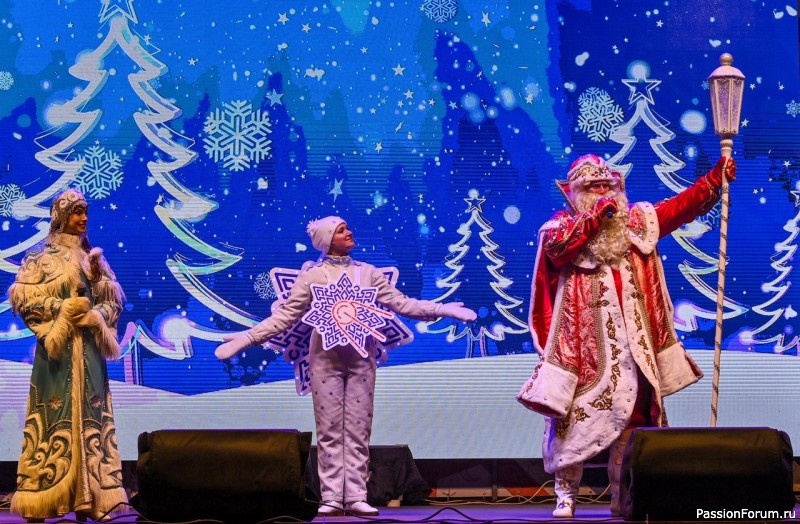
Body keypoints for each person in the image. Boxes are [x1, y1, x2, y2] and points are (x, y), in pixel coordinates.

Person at [517, 154, 735, 518]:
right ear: (574, 193)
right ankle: (566, 495)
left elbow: (678, 209)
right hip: (583, 350)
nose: (605, 192)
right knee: (572, 422)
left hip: (634, 346)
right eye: (594, 187)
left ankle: (621, 497)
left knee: (630, 423)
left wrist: (712, 181)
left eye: (610, 186)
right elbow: (557, 251)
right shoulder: (561, 227)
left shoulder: (635, 222)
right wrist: (594, 218)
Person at [215, 216, 477, 517]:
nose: (349, 232)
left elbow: (403, 304)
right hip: (325, 361)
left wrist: (442, 309)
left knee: (358, 429)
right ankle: (330, 497)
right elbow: (284, 317)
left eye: (347, 228)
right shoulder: (313, 276)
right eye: (341, 230)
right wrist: (248, 338)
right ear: (327, 240)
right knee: (329, 430)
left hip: (361, 361)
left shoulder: (368, 273)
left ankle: (355, 495)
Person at [8, 189, 127, 522]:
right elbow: (26, 301)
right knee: (51, 421)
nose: (84, 218)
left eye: (85, 211)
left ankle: (94, 498)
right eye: (76, 212)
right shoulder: (40, 258)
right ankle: (43, 498)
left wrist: (96, 316)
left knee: (93, 421)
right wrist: (63, 309)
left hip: (90, 356)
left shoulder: (93, 258)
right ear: (61, 217)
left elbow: (114, 301)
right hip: (56, 357)